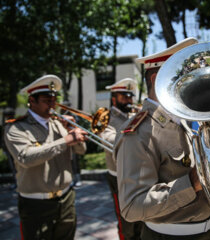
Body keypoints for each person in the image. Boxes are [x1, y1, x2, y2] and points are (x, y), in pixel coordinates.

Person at [114, 38, 210, 240]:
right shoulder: (140, 132)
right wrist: (192, 183)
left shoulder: (184, 120)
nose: (193, 81)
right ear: (156, 79)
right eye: (184, 75)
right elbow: (132, 206)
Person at [4, 75, 87, 240]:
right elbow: (25, 158)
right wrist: (66, 140)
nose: (52, 103)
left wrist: (72, 131)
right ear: (32, 101)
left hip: (66, 198)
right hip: (36, 204)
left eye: (54, 98)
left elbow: (81, 150)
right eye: (46, 99)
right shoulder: (16, 128)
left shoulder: (58, 123)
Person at [101, 78, 143, 239]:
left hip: (140, 172)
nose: (129, 100)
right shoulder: (106, 117)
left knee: (142, 216)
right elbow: (109, 141)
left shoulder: (134, 114)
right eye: (124, 96)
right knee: (126, 221)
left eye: (130, 96)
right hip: (119, 176)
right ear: (114, 98)